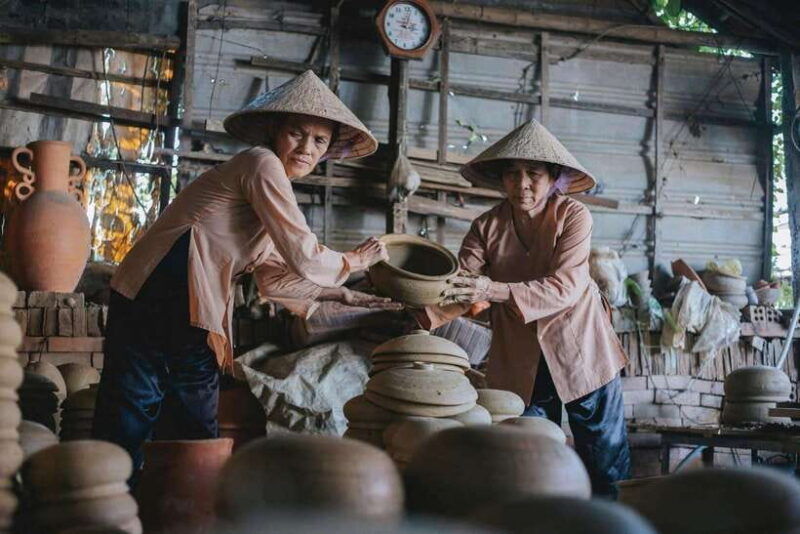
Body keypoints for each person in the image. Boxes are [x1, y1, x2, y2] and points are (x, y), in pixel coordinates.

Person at [92, 70, 395, 471]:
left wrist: (341, 293)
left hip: (160, 287)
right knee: (160, 403)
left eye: (319, 141)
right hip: (167, 281)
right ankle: (159, 507)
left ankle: (155, 507)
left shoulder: (266, 182)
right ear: (274, 131)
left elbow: (274, 275)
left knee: (157, 404)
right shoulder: (261, 163)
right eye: (297, 133)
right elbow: (304, 253)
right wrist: (352, 262)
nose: (306, 147)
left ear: (326, 151)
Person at [422, 119, 630, 498]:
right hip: (520, 355)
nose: (523, 185)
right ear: (502, 179)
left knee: (604, 459)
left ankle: (610, 521)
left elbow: (565, 287)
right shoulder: (486, 226)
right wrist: (425, 315)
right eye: (513, 174)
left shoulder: (573, 216)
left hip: (580, 346)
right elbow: (461, 283)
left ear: (553, 178)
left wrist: (493, 289)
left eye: (533, 174)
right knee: (530, 456)